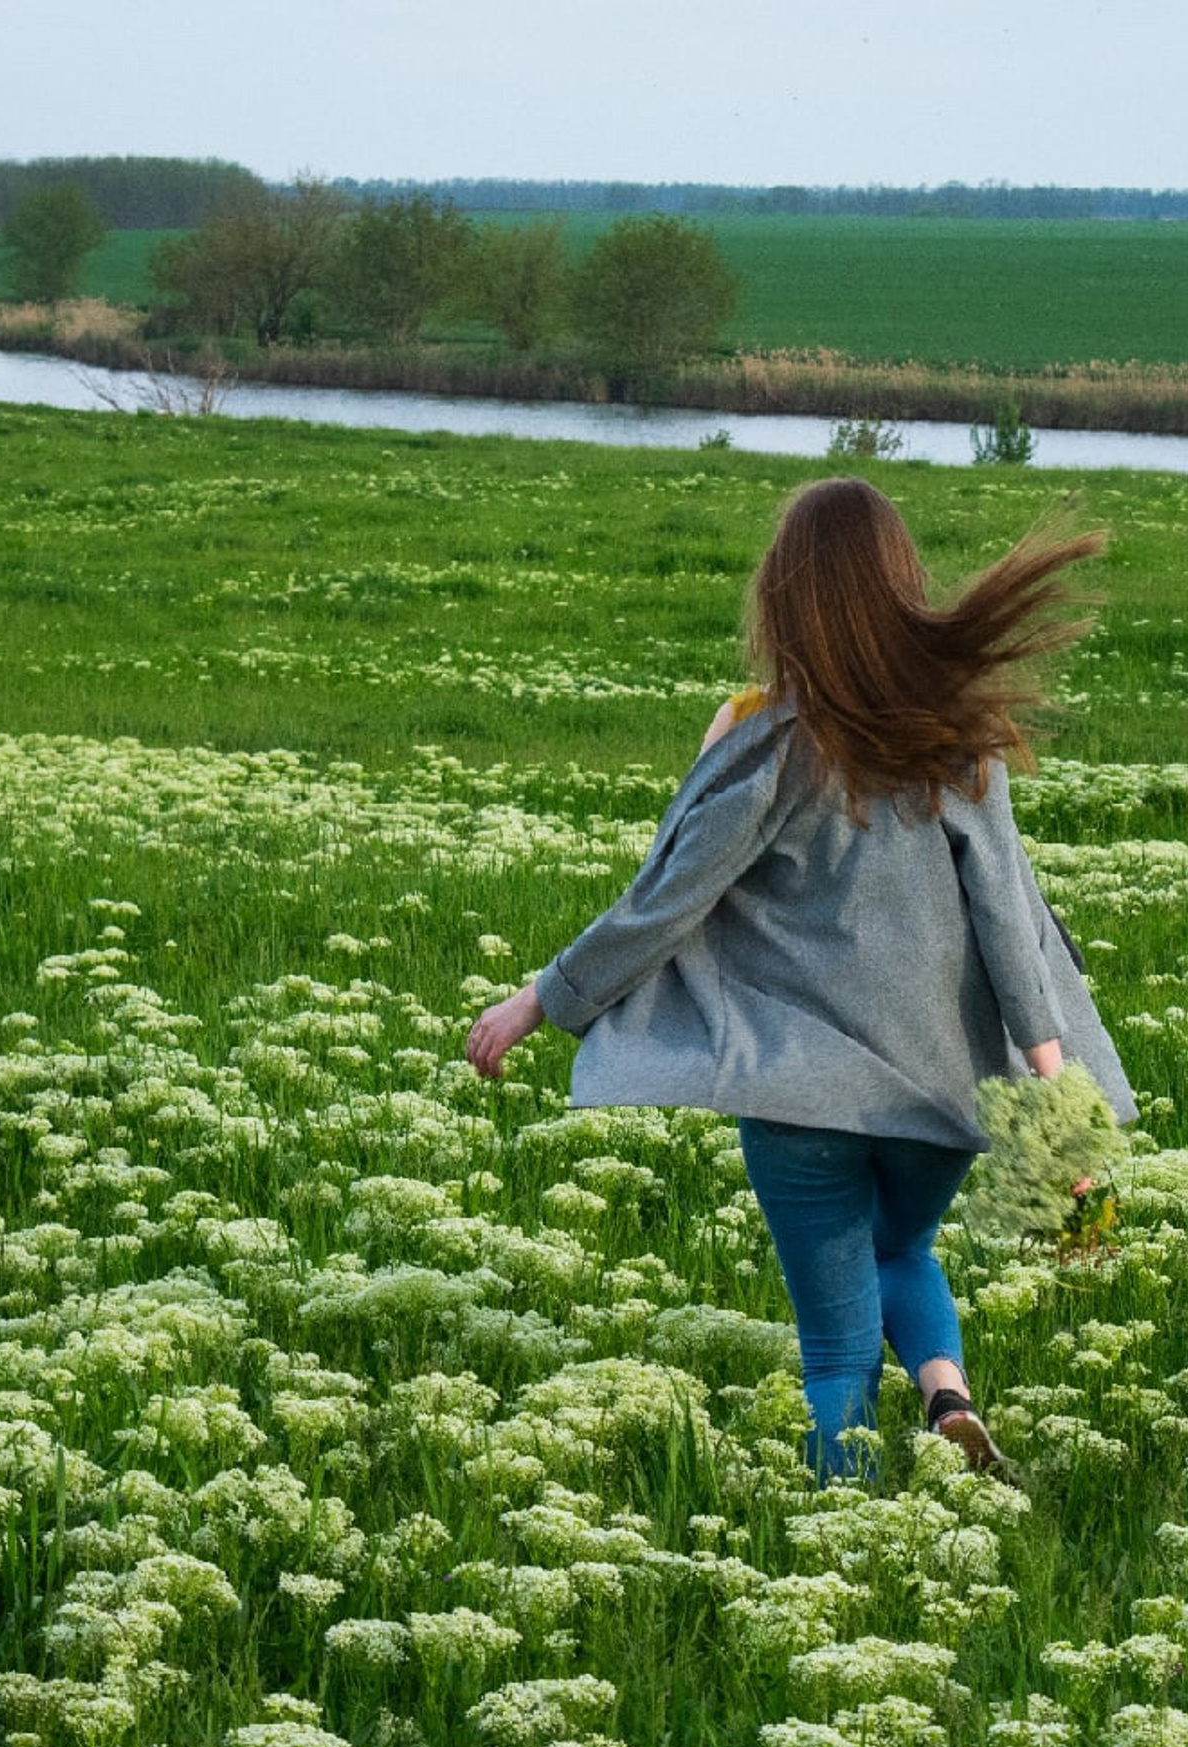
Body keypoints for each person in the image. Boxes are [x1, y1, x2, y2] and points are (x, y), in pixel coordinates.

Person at [466, 477, 1136, 1480]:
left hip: (796, 1093)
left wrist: (540, 1001)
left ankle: (845, 1524)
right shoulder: (960, 745)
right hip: (937, 1094)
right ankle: (948, 1397)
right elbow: (1012, 921)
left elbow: (666, 899)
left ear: (785, 598)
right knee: (900, 1249)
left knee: (834, 1348)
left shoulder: (762, 738)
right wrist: (1059, 1101)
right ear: (902, 589)